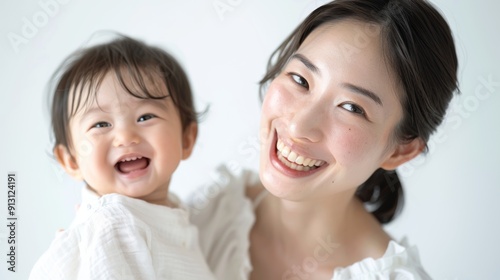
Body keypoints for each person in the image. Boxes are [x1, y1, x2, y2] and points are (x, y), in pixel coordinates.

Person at [189, 0, 458, 279]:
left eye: (352, 108)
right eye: (300, 79)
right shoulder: (209, 212)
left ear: (400, 151)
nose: (298, 125)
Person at [30, 35, 215, 280]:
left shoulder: (172, 217)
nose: (125, 137)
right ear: (71, 161)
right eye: (101, 124)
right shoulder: (113, 226)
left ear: (186, 139)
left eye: (145, 117)